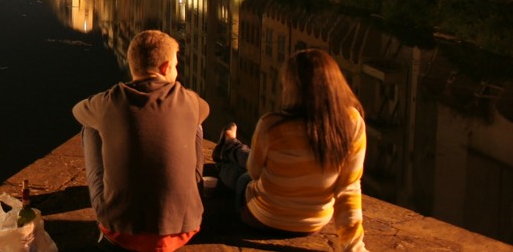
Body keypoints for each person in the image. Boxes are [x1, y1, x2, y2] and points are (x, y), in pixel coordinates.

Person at [213, 48, 367, 252]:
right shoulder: (352, 121)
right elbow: (348, 187)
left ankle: (226, 149)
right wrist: (354, 247)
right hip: (313, 223)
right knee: (255, 165)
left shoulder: (272, 124)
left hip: (262, 218)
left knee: (240, 176)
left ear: (291, 86)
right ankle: (230, 145)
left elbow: (255, 172)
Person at [72, 30, 209, 251]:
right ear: (165, 68)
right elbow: (206, 110)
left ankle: (115, 196)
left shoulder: (111, 100)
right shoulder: (189, 99)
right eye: (175, 66)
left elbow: (78, 111)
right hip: (183, 228)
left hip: (120, 230)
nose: (177, 71)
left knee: (90, 126)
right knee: (196, 124)